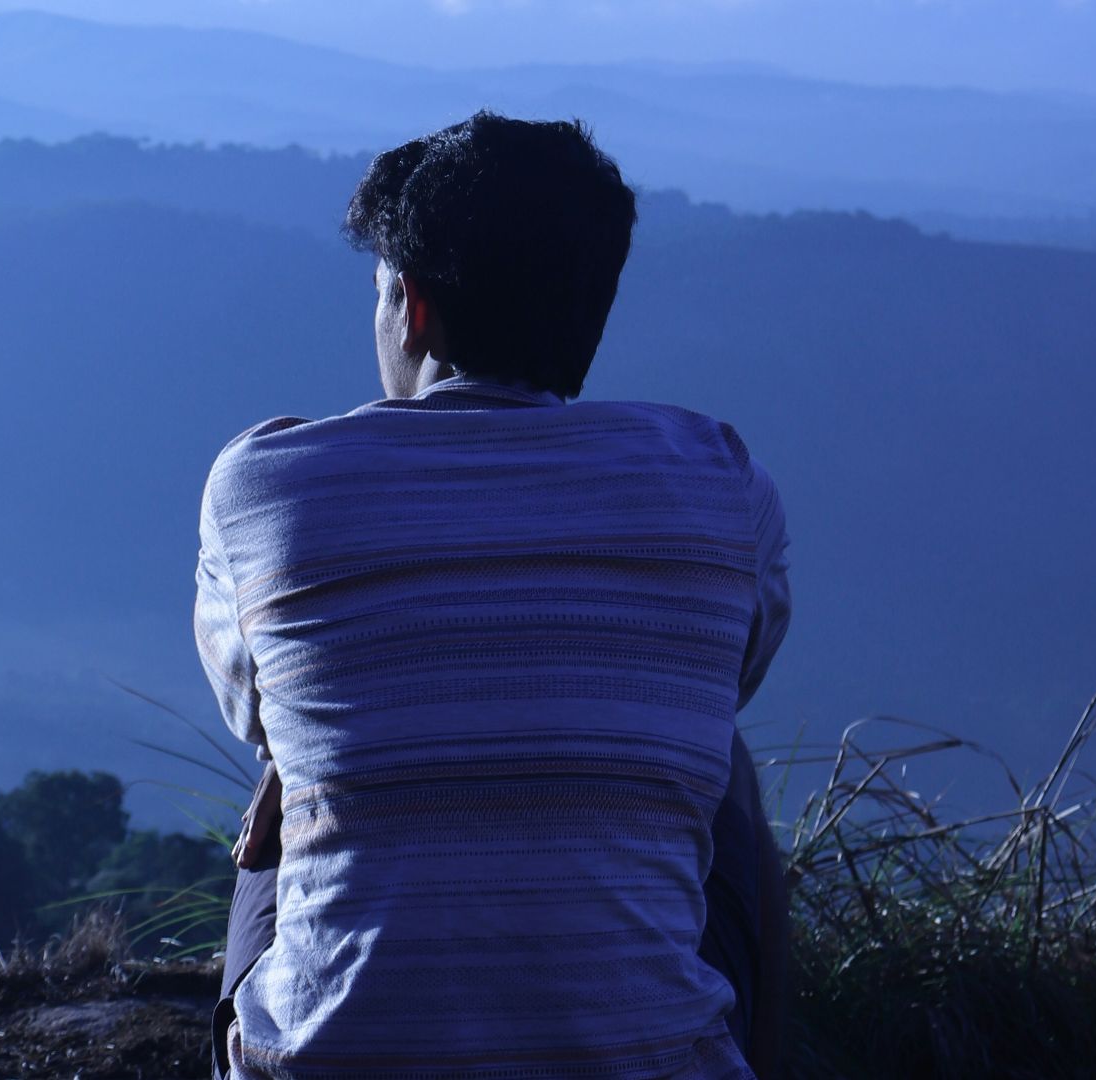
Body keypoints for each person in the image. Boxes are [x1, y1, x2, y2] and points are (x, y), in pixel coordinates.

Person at [196, 111, 792, 1079]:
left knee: (285, 790)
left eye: (382, 291)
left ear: (415, 307)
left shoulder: (265, 485)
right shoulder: (723, 485)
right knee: (720, 759)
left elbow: (262, 709)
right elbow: (726, 681)